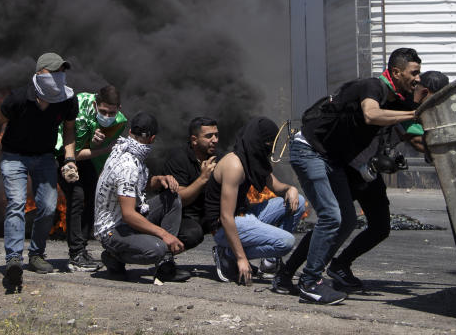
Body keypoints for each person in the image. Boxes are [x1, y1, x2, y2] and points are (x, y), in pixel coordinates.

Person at [282, 47, 422, 304]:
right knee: (331, 216)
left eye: (420, 73)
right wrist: (414, 114)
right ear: (396, 72)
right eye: (413, 73)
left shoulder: (399, 100)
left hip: (333, 158)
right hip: (309, 150)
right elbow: (371, 114)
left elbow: (416, 133)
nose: (418, 78)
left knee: (346, 219)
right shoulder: (373, 87)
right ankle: (309, 281)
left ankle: (292, 276)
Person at [0, 52, 79, 291]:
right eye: (53, 71)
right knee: (15, 203)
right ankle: (13, 260)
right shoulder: (17, 98)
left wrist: (69, 159)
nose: (58, 76)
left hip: (45, 156)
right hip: (14, 156)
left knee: (48, 205)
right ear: (39, 74)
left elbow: (69, 130)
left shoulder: (67, 100)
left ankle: (36, 255)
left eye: (61, 72)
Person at [204, 117, 307, 288]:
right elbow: (226, 216)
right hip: (225, 226)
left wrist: (291, 189)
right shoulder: (234, 165)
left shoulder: (254, 160)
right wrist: (241, 258)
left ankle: (270, 262)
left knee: (299, 202)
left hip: (246, 214)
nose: (269, 146)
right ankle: (228, 254)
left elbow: (277, 187)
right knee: (286, 242)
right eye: (267, 141)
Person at [93, 112, 190, 283]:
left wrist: (160, 180)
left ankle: (166, 265)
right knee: (157, 248)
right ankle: (113, 256)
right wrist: (164, 234)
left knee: (172, 199)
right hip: (112, 229)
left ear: (130, 132)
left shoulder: (124, 149)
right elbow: (128, 215)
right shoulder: (128, 165)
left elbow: (135, 186)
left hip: (124, 220)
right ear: (152, 138)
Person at [56, 84, 128, 272]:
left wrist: (99, 143)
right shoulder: (79, 109)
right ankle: (76, 254)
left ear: (118, 109)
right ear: (96, 104)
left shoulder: (119, 121)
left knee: (93, 195)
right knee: (77, 196)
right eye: (103, 111)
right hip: (63, 154)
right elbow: (73, 150)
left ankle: (83, 248)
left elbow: (101, 147)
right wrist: (101, 148)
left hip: (89, 157)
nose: (107, 116)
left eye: (111, 113)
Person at [162, 116, 221, 251]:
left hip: (206, 213)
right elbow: (180, 199)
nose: (215, 140)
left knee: (233, 221)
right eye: (209, 136)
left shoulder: (218, 158)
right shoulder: (178, 159)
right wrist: (203, 179)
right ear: (194, 140)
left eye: (216, 135)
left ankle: (229, 260)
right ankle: (163, 257)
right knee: (193, 233)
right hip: (180, 216)